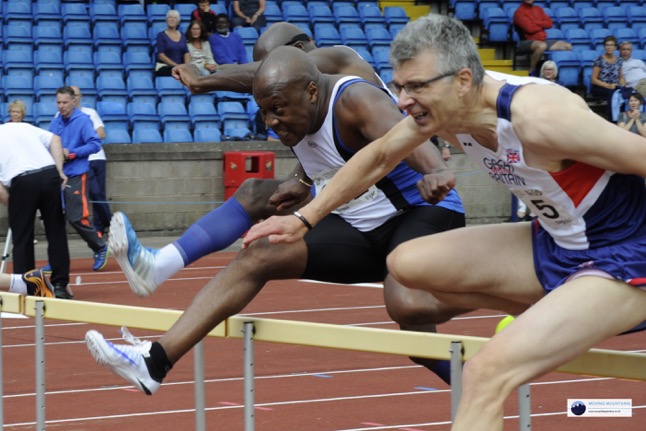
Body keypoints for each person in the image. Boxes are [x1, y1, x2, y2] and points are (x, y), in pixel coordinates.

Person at [241, 15, 646, 431]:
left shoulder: (540, 118)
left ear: (463, 80)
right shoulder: (444, 112)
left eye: (417, 86)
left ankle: (611, 305)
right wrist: (303, 220)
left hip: (625, 253)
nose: (403, 101)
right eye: (400, 86)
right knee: (407, 264)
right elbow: (379, 156)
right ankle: (567, 306)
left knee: (485, 373)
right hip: (557, 241)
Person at [85, 46, 469, 395]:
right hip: (360, 227)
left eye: (278, 110)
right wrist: (303, 179)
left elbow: (405, 138)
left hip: (420, 211)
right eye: (264, 111)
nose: (270, 122)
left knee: (406, 307)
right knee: (260, 252)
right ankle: (154, 361)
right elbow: (303, 132)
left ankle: (492, 288)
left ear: (311, 91)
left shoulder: (353, 97)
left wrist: (434, 171)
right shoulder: (291, 106)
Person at [112, 22, 415, 299]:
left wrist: (204, 80)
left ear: (299, 50)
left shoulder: (338, 58)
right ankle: (158, 265)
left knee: (410, 301)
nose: (271, 73)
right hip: (351, 187)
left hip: (391, 194)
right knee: (254, 193)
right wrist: (303, 177)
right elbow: (331, 143)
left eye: (274, 63)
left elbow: (357, 140)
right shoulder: (313, 96)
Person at [0, 121, 69, 299]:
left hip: (22, 180)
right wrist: (60, 171)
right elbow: (55, 139)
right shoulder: (23, 126)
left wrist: (12, 204)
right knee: (56, 232)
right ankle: (60, 285)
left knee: (22, 237)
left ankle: (29, 287)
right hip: (49, 174)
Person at [49, 87, 109, 288]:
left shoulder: (83, 120)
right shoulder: (55, 122)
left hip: (76, 174)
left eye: (65, 102)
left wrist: (72, 153)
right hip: (57, 175)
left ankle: (100, 247)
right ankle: (56, 261)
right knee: (54, 219)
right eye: (59, 102)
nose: (61, 106)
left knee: (76, 217)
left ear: (73, 101)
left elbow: (95, 144)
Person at [513, 0, 572, 76]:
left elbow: (549, 23)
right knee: (541, 46)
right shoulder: (519, 12)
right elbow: (530, 29)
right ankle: (531, 70)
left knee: (567, 46)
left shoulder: (538, 9)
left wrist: (534, 22)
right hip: (525, 42)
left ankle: (556, 73)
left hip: (542, 40)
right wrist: (542, 24)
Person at [591, 35, 626, 112]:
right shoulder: (599, 60)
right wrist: (608, 86)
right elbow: (593, 80)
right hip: (600, 87)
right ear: (604, 47)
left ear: (615, 47)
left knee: (624, 92)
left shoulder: (619, 60)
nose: (609, 47)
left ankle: (623, 116)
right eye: (607, 45)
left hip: (614, 86)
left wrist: (624, 86)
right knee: (612, 92)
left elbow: (620, 77)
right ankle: (611, 117)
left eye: (611, 45)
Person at [155, 9, 191, 77]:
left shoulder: (182, 35)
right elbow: (161, 56)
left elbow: (186, 53)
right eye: (170, 17)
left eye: (175, 18)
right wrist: (176, 66)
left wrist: (186, 66)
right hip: (165, 67)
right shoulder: (161, 35)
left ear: (178, 21)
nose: (172, 19)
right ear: (166, 20)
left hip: (180, 67)